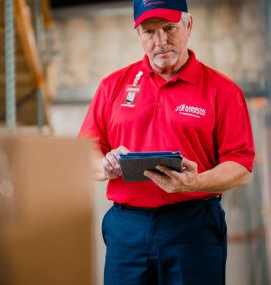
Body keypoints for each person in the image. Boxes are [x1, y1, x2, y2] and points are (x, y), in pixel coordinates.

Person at [79, 0, 255, 284]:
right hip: (127, 229)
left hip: (192, 225)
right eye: (149, 32)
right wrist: (103, 165)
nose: (160, 41)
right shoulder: (112, 85)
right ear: (138, 34)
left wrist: (194, 183)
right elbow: (86, 147)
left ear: (189, 25)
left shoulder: (223, 91)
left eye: (169, 28)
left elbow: (241, 165)